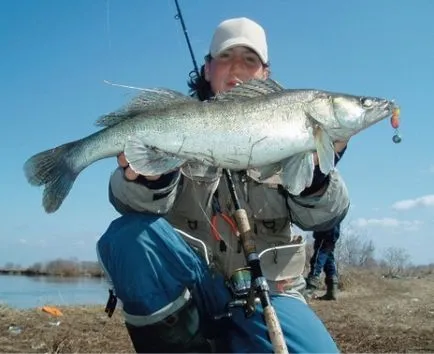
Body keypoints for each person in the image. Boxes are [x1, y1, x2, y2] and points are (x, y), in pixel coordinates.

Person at [96, 17, 349, 353]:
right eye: (226, 58)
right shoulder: (177, 123)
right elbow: (129, 203)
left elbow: (324, 218)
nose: (237, 70)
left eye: (250, 60)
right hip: (191, 286)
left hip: (269, 293)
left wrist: (316, 177)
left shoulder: (294, 133)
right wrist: (149, 177)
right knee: (126, 238)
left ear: (265, 73)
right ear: (207, 69)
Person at [305, 222, 342, 301]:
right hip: (333, 230)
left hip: (326, 229)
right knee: (328, 259)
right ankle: (332, 292)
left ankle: (308, 291)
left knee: (317, 259)